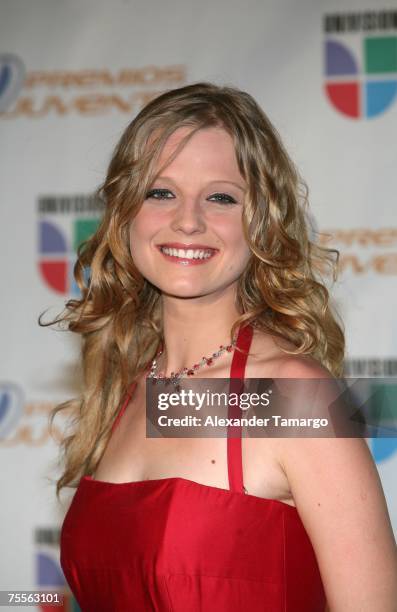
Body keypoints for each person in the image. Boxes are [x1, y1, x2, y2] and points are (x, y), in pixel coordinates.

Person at [47, 82, 397, 611]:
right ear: (124, 213)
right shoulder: (126, 389)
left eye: (221, 197)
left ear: (261, 220)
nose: (188, 220)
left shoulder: (292, 396)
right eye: (160, 192)